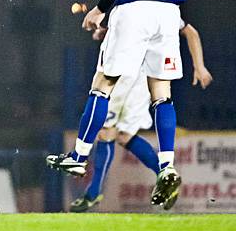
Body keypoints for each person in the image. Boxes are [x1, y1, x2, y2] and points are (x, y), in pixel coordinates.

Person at [46, 0, 206, 208]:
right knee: (162, 94)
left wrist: (100, 9)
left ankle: (79, 154)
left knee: (102, 84)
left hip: (134, 10)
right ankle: (166, 166)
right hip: (168, 12)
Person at [70, 20, 213, 212]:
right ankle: (165, 177)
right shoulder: (163, 6)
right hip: (142, 79)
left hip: (129, 79)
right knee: (122, 135)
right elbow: (190, 31)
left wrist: (200, 66)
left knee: (107, 133)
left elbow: (189, 32)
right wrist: (199, 66)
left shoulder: (139, 2)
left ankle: (94, 193)